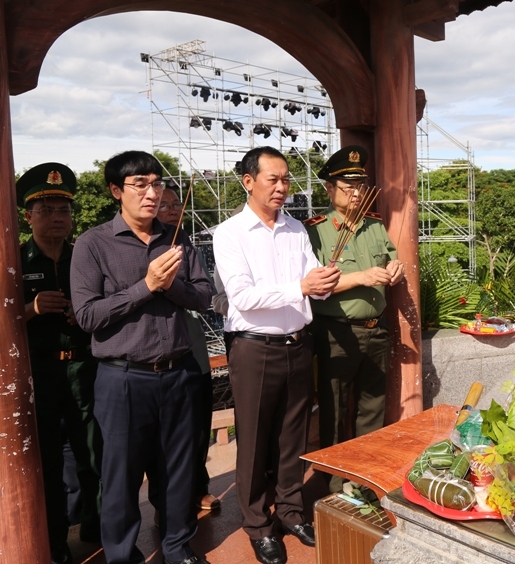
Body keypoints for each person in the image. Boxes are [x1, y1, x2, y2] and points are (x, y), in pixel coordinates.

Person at [70, 150, 214, 564]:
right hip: (123, 377)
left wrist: (172, 287)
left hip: (178, 371)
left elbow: (204, 297)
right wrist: (147, 285)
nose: (152, 194)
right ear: (117, 191)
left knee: (178, 469)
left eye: (157, 184)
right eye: (140, 185)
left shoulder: (177, 237)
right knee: (121, 476)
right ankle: (121, 554)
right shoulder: (93, 244)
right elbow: (87, 315)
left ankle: (176, 545)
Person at [213, 146, 339, 564]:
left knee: (293, 435)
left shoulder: (296, 230)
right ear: (248, 182)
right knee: (253, 439)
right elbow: (243, 298)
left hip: (297, 342)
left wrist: (322, 281)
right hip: (254, 348)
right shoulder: (229, 233)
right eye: (274, 179)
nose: (283, 187)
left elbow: (312, 279)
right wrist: (301, 287)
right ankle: (257, 523)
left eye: (286, 179)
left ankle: (289, 511)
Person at [304, 146, 404, 492]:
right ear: (330, 189)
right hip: (337, 331)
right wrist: (361, 278)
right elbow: (314, 285)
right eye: (348, 185)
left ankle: (366, 480)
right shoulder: (316, 231)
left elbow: (392, 258)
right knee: (334, 409)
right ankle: (332, 482)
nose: (357, 191)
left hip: (376, 330)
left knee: (372, 410)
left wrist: (395, 269)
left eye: (361, 185)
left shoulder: (374, 225)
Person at [17, 163, 103, 563]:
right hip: (40, 372)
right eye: (47, 210)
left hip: (86, 366)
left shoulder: (85, 255)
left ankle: (97, 526)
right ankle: (54, 543)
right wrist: (30, 309)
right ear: (28, 215)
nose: (57, 218)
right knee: (47, 460)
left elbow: (107, 304)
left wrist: (83, 314)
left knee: (94, 452)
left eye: (64, 210)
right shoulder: (15, 260)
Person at [152, 187, 221, 513]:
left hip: (193, 354)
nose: (170, 210)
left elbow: (205, 294)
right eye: (162, 205)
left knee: (196, 429)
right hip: (156, 357)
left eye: (175, 203)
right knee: (160, 440)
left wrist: (174, 287)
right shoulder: (146, 249)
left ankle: (198, 488)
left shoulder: (186, 247)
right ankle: (165, 501)